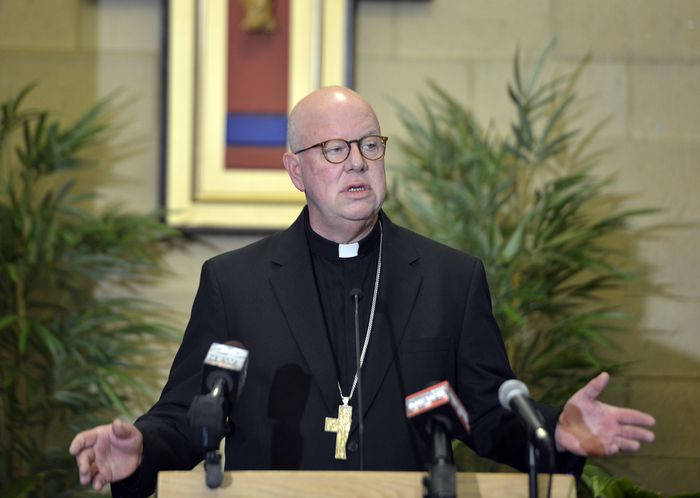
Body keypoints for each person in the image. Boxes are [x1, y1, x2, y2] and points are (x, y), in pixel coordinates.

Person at [69, 86, 656, 497]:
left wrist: (555, 432)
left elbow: (484, 414)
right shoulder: (234, 282)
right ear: (295, 171)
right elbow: (185, 415)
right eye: (334, 150)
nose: (357, 162)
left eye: (369, 145)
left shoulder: (452, 278)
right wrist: (139, 449)